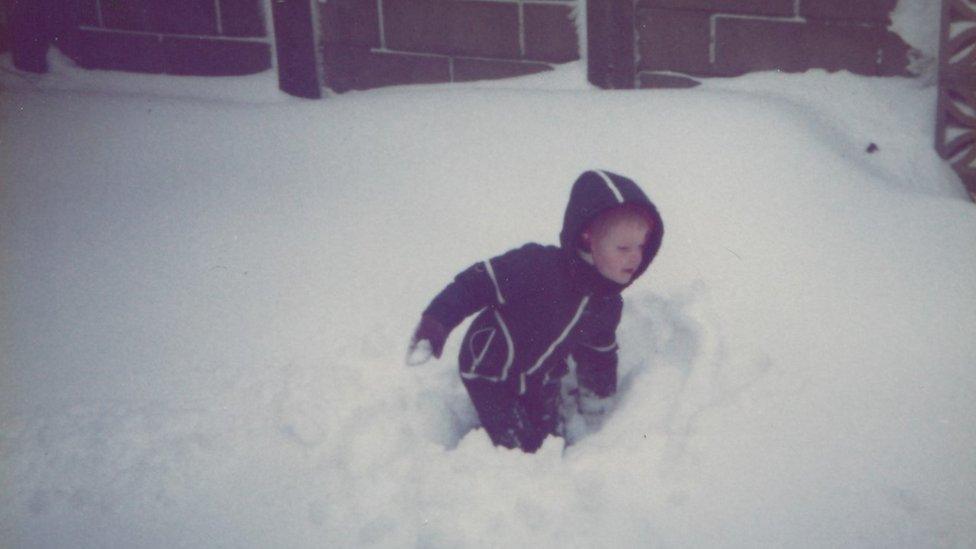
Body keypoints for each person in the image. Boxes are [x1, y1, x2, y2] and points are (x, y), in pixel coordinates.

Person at [406, 170, 664, 452]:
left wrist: (599, 406)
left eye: (641, 246)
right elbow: (476, 284)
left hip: (542, 376)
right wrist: (437, 321)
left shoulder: (607, 303)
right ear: (588, 237)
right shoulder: (537, 267)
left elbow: (597, 352)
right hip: (490, 368)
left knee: (549, 436)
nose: (635, 257)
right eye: (623, 247)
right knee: (521, 449)